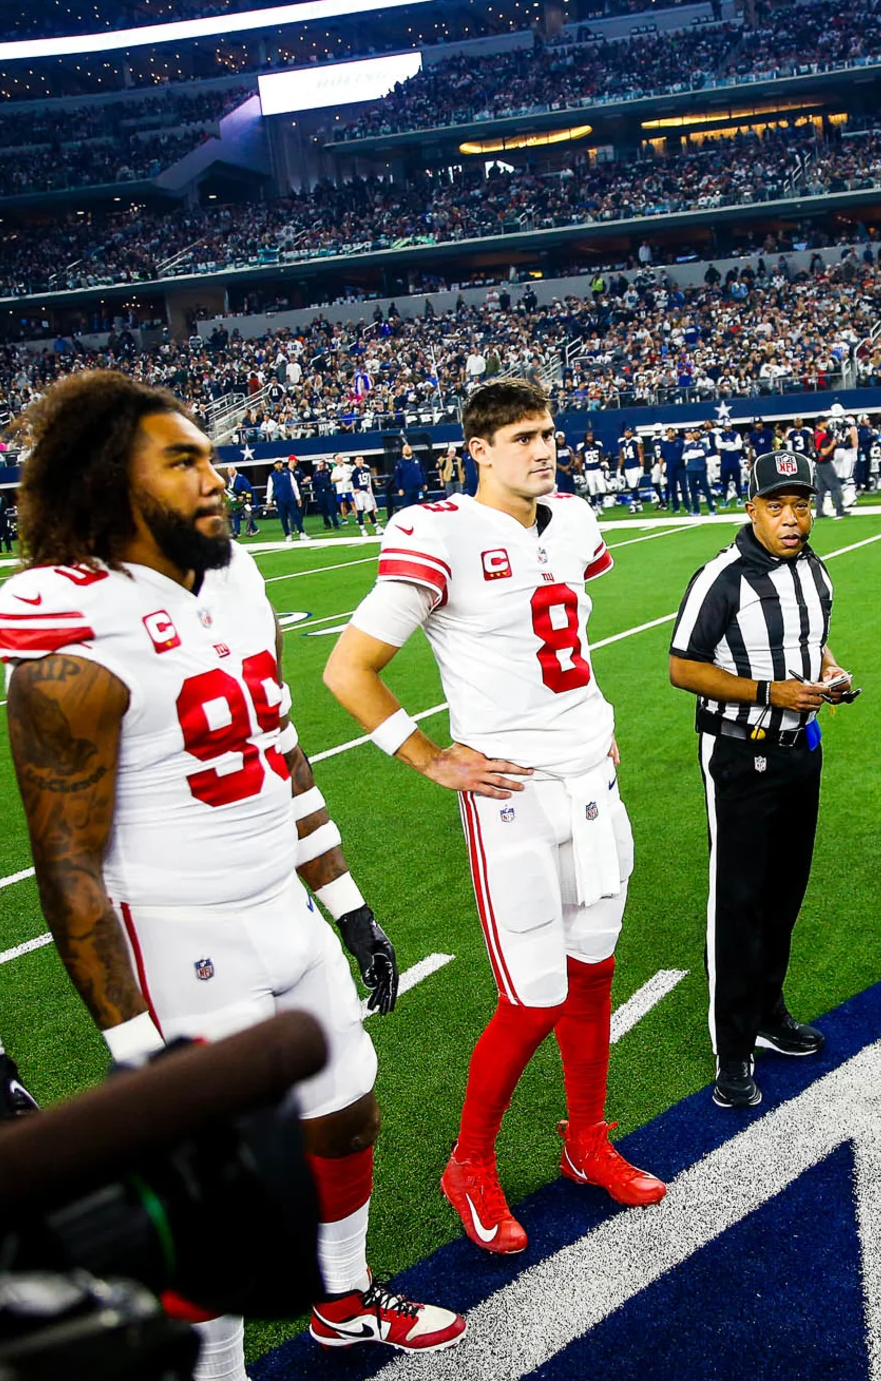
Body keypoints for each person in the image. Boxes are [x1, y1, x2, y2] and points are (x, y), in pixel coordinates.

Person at [0, 371, 464, 1378]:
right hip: (177, 932)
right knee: (220, 1195)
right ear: (109, 482)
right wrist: (136, 1058)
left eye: (211, 455)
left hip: (280, 902)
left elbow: (279, 748)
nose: (216, 477)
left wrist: (345, 902)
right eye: (184, 460)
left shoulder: (241, 577)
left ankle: (343, 1301)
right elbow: (66, 867)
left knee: (349, 1107)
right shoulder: (67, 632)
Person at [323, 378, 666, 1259]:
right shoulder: (437, 530)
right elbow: (348, 669)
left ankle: (585, 1143)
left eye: (548, 433)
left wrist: (601, 723)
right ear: (479, 449)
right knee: (533, 996)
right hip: (510, 796)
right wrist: (427, 754)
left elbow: (565, 649)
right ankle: (468, 1162)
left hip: (592, 781)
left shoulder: (575, 520)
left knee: (594, 977)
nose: (544, 449)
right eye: (522, 437)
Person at [667, 449, 857, 1110]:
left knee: (783, 894)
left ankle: (769, 1014)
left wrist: (831, 675)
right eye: (775, 505)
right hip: (739, 753)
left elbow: (813, 643)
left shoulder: (815, 571)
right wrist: (768, 691)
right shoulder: (720, 576)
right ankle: (732, 1047)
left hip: (801, 749)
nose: (790, 517)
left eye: (799, 504)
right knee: (739, 899)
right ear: (751, 509)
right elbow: (683, 668)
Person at [813, 419, 848, 518]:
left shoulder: (815, 434)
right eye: (825, 422)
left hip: (818, 463)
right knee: (835, 487)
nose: (826, 424)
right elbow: (824, 452)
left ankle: (819, 511)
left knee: (821, 489)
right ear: (821, 423)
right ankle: (839, 509)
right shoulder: (822, 436)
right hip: (825, 463)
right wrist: (832, 444)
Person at [267, 455, 307, 541]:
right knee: (283, 517)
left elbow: (294, 485)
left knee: (296, 515)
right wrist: (269, 500)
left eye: (280, 463)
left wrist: (298, 497)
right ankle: (287, 534)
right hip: (280, 499)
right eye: (277, 463)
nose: (279, 465)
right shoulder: (272, 476)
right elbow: (270, 488)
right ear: (274, 465)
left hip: (290, 498)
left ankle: (301, 532)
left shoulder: (288, 473)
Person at [683, 427, 716, 515]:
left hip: (701, 469)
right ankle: (696, 510)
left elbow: (704, 453)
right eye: (694, 433)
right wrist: (696, 453)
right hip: (690, 469)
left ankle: (711, 508)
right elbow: (684, 456)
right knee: (693, 490)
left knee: (706, 489)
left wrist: (692, 453)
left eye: (697, 433)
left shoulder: (703, 444)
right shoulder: (688, 445)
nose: (696, 435)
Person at [350, 456, 381, 535]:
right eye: (358, 460)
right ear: (355, 461)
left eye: (361, 459)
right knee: (360, 511)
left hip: (365, 491)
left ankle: (377, 527)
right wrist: (352, 489)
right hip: (358, 493)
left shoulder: (366, 469)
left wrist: (367, 487)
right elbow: (347, 481)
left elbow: (368, 481)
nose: (360, 461)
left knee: (370, 510)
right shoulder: (353, 470)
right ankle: (363, 529)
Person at [393, 443, 426, 509]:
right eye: (405, 449)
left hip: (418, 488)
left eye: (408, 448)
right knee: (408, 508)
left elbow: (422, 472)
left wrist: (424, 483)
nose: (407, 450)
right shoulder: (400, 463)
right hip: (407, 490)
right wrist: (400, 488)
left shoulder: (417, 460)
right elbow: (397, 477)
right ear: (402, 451)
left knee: (420, 507)